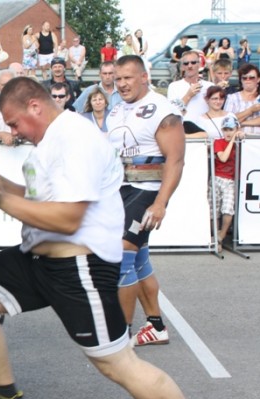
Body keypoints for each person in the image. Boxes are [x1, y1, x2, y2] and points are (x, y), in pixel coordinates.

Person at [0, 74, 225, 399]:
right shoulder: (44, 145)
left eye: (13, 123)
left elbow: (66, 217)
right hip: (38, 258)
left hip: (79, 265)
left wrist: (7, 205)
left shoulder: (75, 139)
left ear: (35, 107)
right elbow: (39, 197)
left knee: (117, 364)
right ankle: (5, 395)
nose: (12, 131)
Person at [107, 55, 185, 346]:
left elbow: (176, 160)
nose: (123, 83)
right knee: (138, 259)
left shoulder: (162, 110)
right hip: (121, 191)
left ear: (143, 77)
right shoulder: (116, 110)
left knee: (120, 256)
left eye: (128, 77)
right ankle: (156, 326)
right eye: (118, 78)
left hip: (148, 191)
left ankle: (121, 334)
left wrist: (161, 202)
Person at [211, 115, 242, 249]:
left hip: (231, 180)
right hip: (217, 178)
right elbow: (223, 158)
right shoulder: (218, 142)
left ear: (236, 129)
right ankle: (215, 238)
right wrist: (233, 140)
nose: (228, 133)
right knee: (214, 210)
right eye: (226, 130)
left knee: (228, 209)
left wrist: (240, 136)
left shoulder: (240, 142)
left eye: (231, 130)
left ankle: (221, 236)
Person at [167, 50, 213, 124]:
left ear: (199, 64)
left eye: (193, 62)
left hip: (206, 130)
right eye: (186, 63)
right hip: (184, 130)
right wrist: (188, 96)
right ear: (182, 67)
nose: (190, 66)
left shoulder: (209, 86)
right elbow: (173, 113)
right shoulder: (174, 86)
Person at [224, 63, 260, 135]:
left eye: (251, 77)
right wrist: (250, 110)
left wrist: (242, 123)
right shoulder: (232, 98)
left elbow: (234, 121)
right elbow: (228, 121)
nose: (248, 80)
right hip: (238, 141)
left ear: (258, 79)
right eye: (244, 78)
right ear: (241, 80)